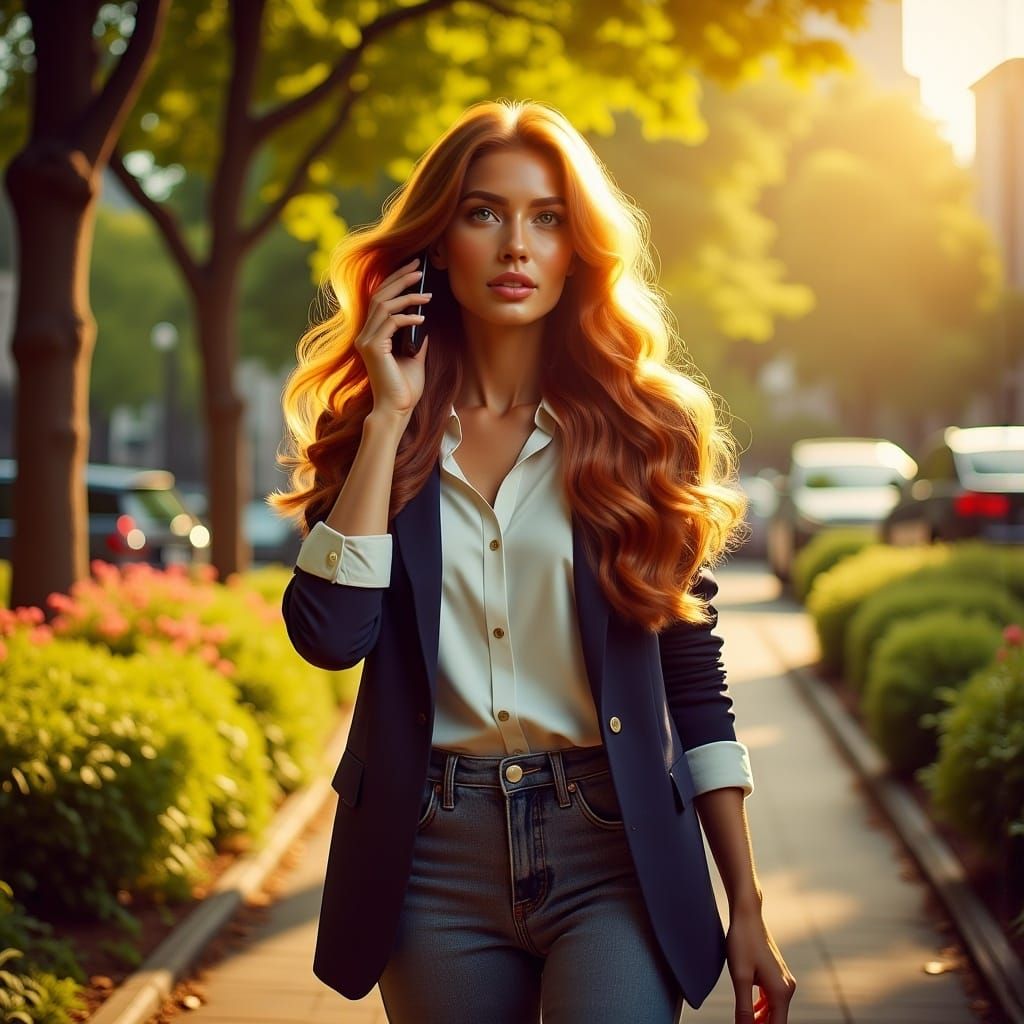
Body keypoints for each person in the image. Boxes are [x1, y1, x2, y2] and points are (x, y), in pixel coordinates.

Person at [273, 98, 796, 1023]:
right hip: (429, 854)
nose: (517, 244)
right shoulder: (375, 424)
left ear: (575, 249)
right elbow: (330, 636)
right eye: (485, 213)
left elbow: (692, 674)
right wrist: (391, 420)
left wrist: (745, 902)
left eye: (546, 218)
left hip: (613, 846)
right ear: (439, 243)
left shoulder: (643, 429)